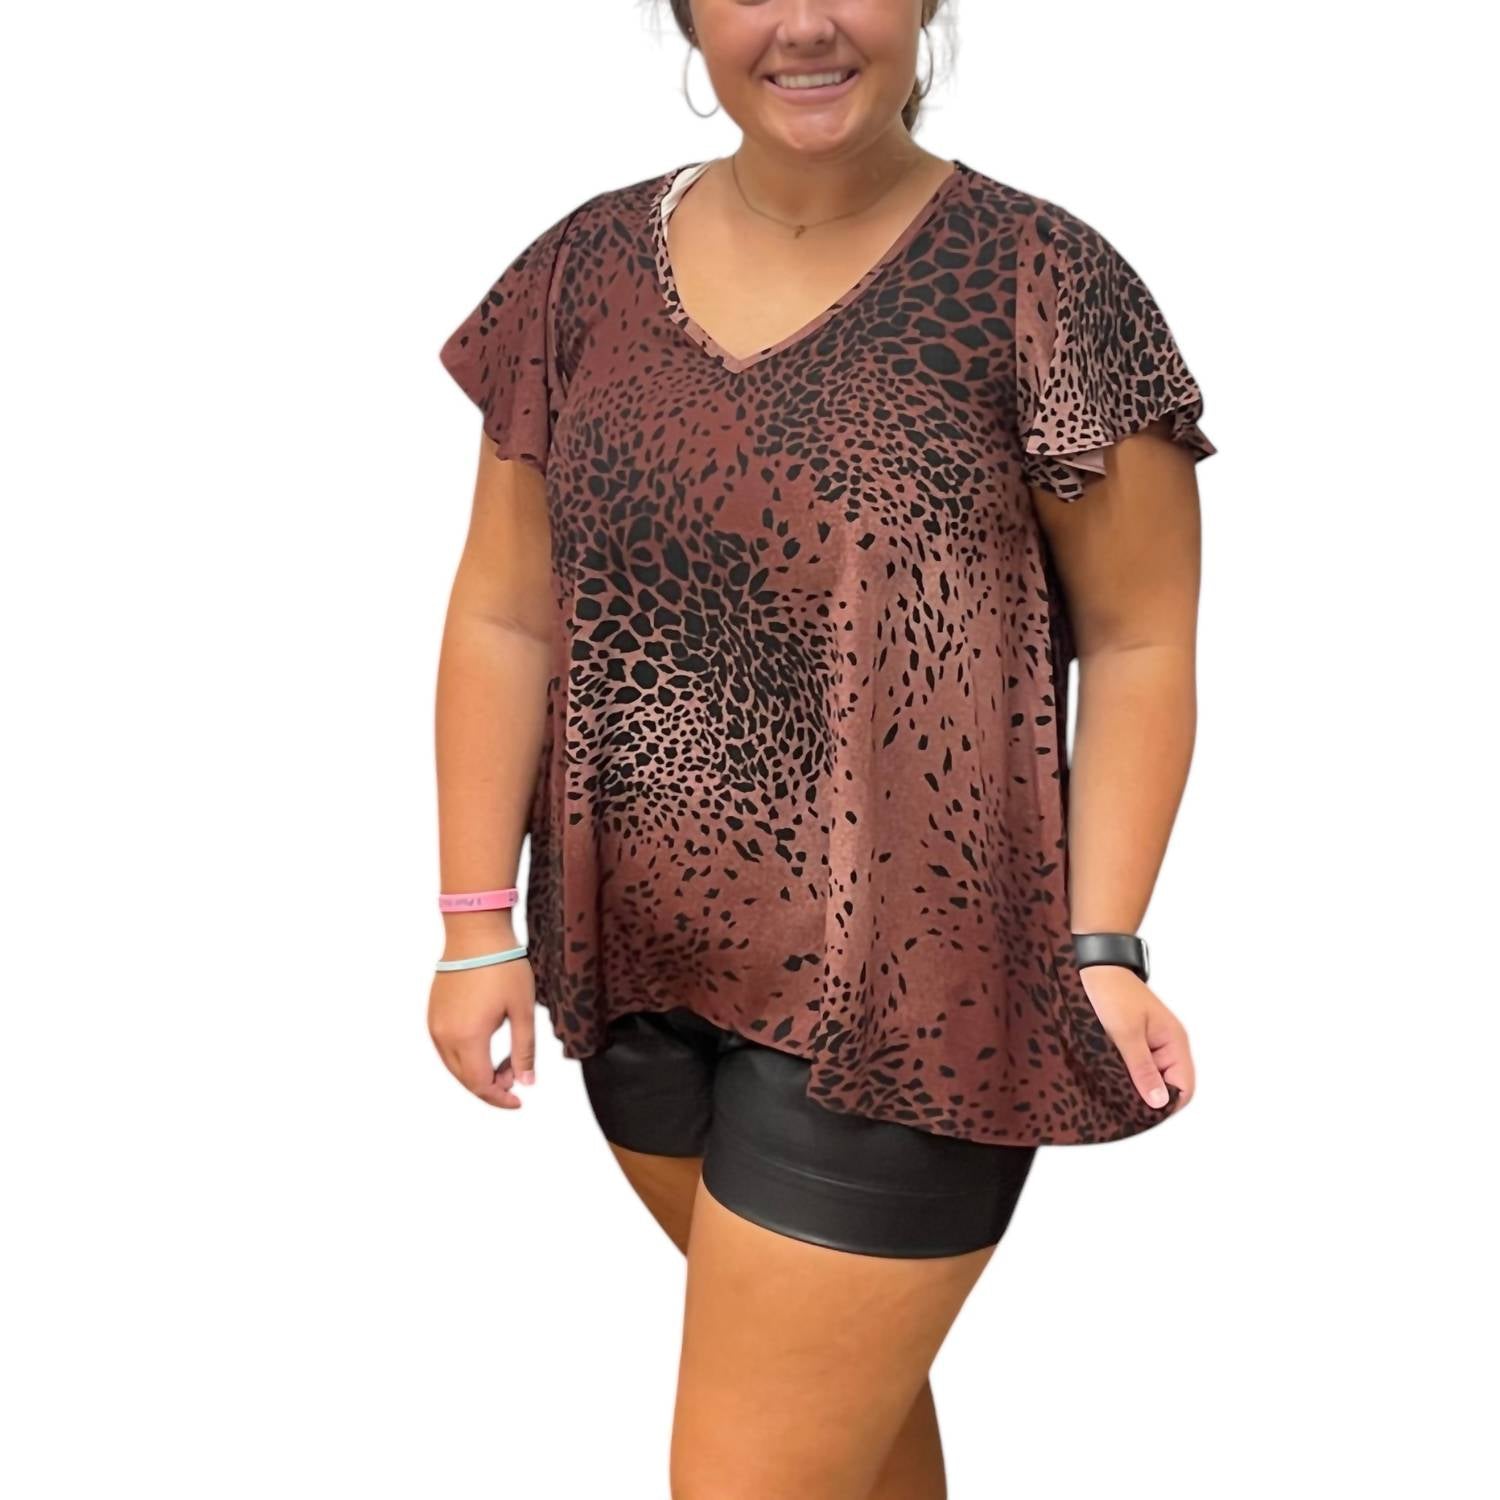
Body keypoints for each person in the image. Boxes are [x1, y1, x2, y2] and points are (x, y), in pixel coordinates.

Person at [428, 2, 1214, 1495]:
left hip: (915, 994)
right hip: (639, 975)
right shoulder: (579, 273)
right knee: (843, 1444)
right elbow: (504, 610)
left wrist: (1103, 944)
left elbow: (1140, 640)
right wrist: (476, 927)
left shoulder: (1045, 281)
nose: (803, 23)